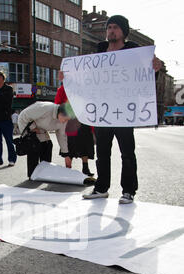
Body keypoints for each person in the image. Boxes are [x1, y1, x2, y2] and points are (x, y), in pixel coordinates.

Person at [81, 14, 162, 204]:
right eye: (109, 28)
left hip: (124, 112)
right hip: (104, 112)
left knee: (127, 153)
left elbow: (144, 78)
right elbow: (87, 79)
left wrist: (154, 69)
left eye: (115, 27)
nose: (111, 31)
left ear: (124, 32)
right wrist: (67, 77)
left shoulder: (134, 54)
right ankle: (101, 188)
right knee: (102, 154)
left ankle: (128, 190)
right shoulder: (99, 54)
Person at [18, 101, 72, 178]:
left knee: (48, 145)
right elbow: (24, 115)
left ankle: (44, 172)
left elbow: (62, 135)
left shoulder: (63, 120)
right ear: (61, 113)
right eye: (65, 119)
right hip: (27, 124)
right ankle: (32, 174)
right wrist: (33, 128)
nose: (65, 121)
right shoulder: (46, 108)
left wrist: (66, 155)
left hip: (41, 128)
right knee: (34, 146)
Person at [54, 84, 95, 177]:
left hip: (81, 120)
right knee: (69, 145)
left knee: (82, 145)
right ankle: (70, 168)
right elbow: (58, 104)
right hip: (71, 120)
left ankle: (83, 168)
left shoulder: (80, 87)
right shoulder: (64, 89)